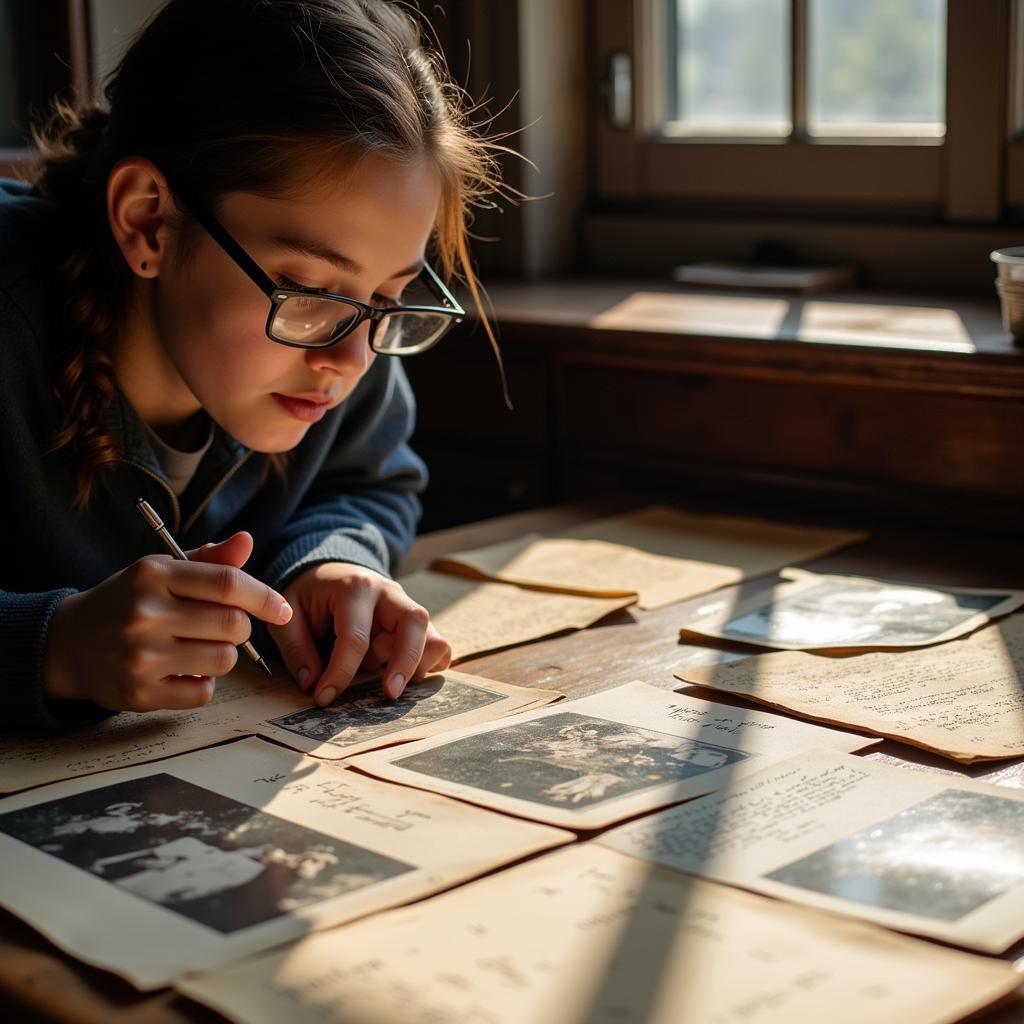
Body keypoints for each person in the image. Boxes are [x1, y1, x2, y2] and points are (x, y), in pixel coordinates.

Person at [0, 0, 505, 731]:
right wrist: (51, 648)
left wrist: (327, 562)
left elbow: (367, 481)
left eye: (389, 296)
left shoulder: (344, 339)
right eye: (310, 290)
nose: (353, 359)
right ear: (148, 220)